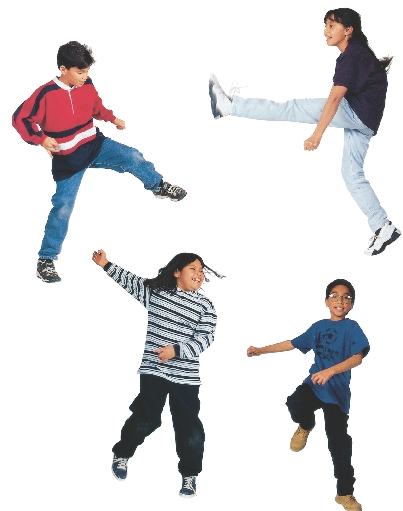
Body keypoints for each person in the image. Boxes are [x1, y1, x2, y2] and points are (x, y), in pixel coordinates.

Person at [209, 8, 400, 256]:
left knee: (292, 108)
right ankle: (383, 226)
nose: (325, 31)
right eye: (325, 25)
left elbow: (334, 99)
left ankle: (230, 106)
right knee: (351, 173)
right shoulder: (356, 54)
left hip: (356, 113)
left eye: (332, 26)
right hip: (366, 120)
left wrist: (316, 135)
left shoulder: (352, 55)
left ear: (348, 30)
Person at [12, 41, 187, 284]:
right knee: (62, 207)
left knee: (133, 156)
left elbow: (95, 106)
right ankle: (46, 259)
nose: (85, 77)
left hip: (94, 146)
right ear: (63, 69)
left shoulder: (88, 85)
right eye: (80, 72)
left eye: (87, 72)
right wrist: (41, 139)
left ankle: (158, 186)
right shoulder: (45, 94)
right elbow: (20, 119)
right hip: (68, 160)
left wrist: (112, 118)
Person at [92, 249, 223, 498]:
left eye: (202, 271)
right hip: (154, 371)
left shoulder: (205, 305)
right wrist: (106, 264)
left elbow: (206, 339)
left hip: (185, 378)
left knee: (189, 427)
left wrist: (176, 350)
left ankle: (189, 475)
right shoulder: (157, 294)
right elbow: (130, 281)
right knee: (147, 417)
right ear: (177, 272)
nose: (199, 274)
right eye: (193, 269)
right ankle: (122, 453)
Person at [247, 279, 369, 511]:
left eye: (346, 297)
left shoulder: (353, 328)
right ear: (326, 301)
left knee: (339, 445)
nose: (340, 300)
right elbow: (292, 343)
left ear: (352, 304)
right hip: (314, 385)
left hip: (337, 395)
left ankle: (345, 494)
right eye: (334, 296)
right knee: (295, 403)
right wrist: (261, 350)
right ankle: (305, 424)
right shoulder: (319, 327)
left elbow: (358, 358)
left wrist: (331, 371)